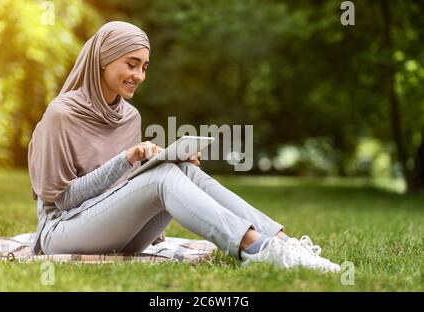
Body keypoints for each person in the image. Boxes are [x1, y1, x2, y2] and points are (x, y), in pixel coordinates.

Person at [28, 21, 340, 273]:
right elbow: (64, 199)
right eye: (131, 64)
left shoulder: (129, 116)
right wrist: (127, 159)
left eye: (145, 67)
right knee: (162, 177)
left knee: (180, 167)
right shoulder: (62, 114)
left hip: (115, 234)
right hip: (61, 233)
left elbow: (123, 191)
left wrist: (164, 159)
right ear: (102, 60)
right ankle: (253, 247)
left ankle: (282, 241)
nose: (139, 76)